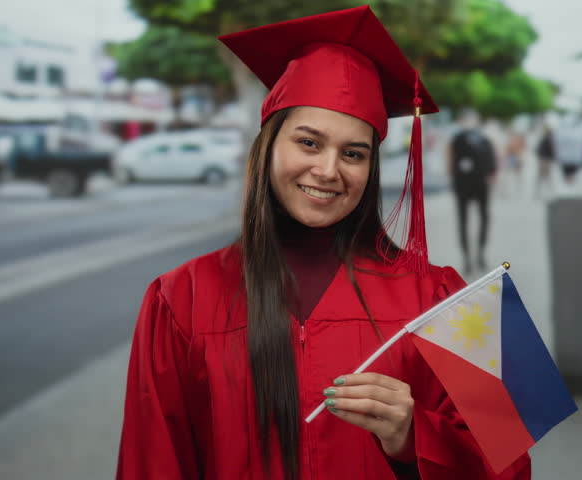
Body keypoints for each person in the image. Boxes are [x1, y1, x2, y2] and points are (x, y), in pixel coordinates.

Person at [116, 6, 531, 480]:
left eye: (353, 153)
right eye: (309, 143)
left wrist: (413, 437)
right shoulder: (180, 299)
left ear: (371, 167)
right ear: (268, 146)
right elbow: (151, 464)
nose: (329, 170)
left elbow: (512, 464)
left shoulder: (441, 298)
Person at [448, 110, 497, 275]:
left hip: (481, 184)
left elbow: (492, 160)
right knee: (463, 221)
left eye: (472, 119)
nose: (469, 123)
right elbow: (450, 158)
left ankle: (480, 253)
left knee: (484, 217)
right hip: (462, 184)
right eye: (466, 119)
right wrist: (452, 178)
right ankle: (467, 257)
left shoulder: (484, 140)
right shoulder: (457, 139)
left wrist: (492, 175)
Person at [535, 124, 555, 199]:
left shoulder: (544, 138)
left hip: (543, 159)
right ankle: (549, 192)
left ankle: (539, 192)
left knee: (542, 176)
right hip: (545, 160)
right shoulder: (548, 139)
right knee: (547, 176)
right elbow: (551, 150)